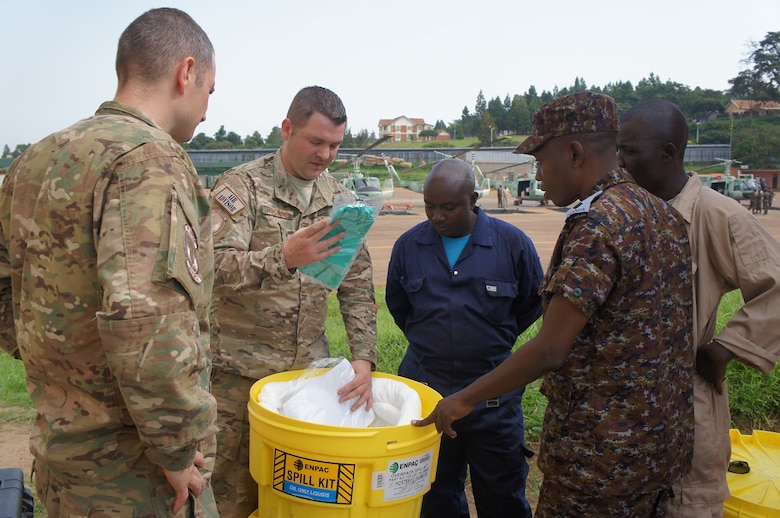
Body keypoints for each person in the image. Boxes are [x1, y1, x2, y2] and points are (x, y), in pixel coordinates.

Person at [413, 92, 695, 517]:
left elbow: (550, 348)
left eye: (541, 162)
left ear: (575, 153)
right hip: (658, 446)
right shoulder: (661, 213)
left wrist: (462, 399)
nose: (539, 176)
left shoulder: (597, 225)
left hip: (600, 457)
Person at [0, 8, 218, 517]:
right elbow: (146, 320)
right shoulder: (149, 160)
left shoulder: (34, 159)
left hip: (61, 458)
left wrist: (64, 369)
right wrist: (175, 449)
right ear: (186, 73)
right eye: (210, 88)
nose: (208, 108)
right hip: (134, 479)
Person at [208, 85, 377, 518]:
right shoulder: (242, 187)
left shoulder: (339, 199)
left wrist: (364, 359)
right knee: (230, 495)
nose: (325, 154)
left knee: (297, 499)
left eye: (335, 145)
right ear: (287, 129)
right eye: (315, 141)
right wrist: (282, 257)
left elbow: (357, 283)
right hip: (237, 378)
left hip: (304, 381)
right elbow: (211, 267)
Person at [617, 99, 780, 518]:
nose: (619, 161)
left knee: (686, 504)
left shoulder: (716, 213)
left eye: (630, 151)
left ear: (669, 153)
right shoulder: (623, 213)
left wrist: (728, 346)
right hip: (623, 413)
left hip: (687, 408)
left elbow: (776, 286)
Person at [386, 159, 544, 517]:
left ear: (473, 199)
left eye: (448, 207)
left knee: (502, 497)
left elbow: (530, 305)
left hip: (493, 399)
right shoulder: (409, 247)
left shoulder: (512, 244)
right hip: (428, 397)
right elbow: (399, 306)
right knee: (434, 497)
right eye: (429, 206)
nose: (437, 216)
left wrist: (487, 341)